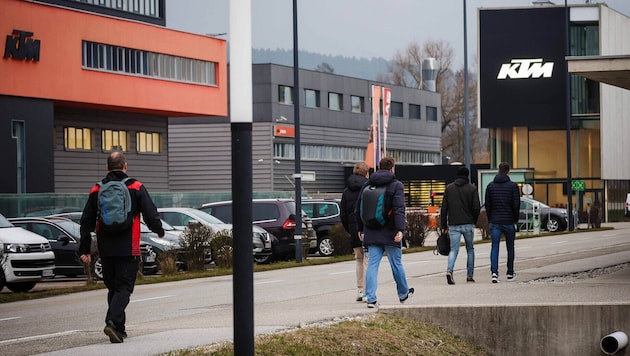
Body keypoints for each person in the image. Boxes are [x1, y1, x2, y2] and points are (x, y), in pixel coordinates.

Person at [79, 151, 164, 343]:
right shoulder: (136, 186)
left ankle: (119, 329)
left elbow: (86, 221)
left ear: (107, 167)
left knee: (113, 287)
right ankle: (111, 322)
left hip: (105, 248)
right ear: (125, 166)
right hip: (129, 246)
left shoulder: (96, 189)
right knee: (124, 287)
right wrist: (158, 230)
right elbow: (150, 214)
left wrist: (84, 248)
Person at [356, 156, 414, 308]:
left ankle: (371, 298)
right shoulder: (396, 185)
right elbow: (399, 209)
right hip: (390, 233)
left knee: (372, 265)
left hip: (371, 231)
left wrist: (360, 229)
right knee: (396, 264)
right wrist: (400, 230)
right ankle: (403, 294)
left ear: (378, 167)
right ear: (392, 168)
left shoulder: (368, 184)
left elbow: (358, 208)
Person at [440, 166, 481, 285]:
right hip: (468, 223)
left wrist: (443, 225)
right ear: (467, 175)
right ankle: (469, 276)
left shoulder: (449, 188)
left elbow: (444, 208)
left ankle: (449, 270)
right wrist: (474, 220)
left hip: (453, 224)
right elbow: (476, 207)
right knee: (470, 249)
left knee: (453, 250)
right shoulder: (472, 188)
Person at [484, 162, 520, 283]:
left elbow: (487, 205)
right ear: (508, 171)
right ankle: (510, 272)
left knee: (495, 247)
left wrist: (490, 218)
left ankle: (494, 273)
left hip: (495, 221)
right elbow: (516, 205)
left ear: (498, 171)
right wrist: (515, 219)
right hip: (509, 221)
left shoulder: (490, 186)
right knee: (510, 247)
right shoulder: (513, 186)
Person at [340, 162, 370, 302]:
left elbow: (343, 214)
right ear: (366, 173)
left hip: (353, 230)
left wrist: (351, 229)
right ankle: (368, 291)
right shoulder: (368, 188)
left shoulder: (346, 191)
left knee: (358, 260)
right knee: (368, 260)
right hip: (368, 229)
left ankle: (360, 290)